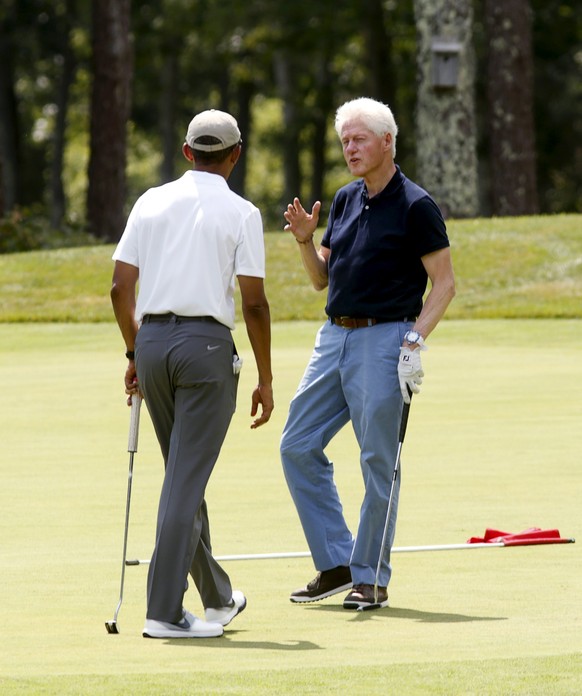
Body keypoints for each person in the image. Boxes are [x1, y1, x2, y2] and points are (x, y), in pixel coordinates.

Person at [280, 97, 455, 611]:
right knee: (297, 445)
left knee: (379, 459)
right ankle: (336, 563)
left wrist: (414, 341)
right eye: (345, 141)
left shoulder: (416, 205)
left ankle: (371, 576)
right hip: (334, 336)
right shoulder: (344, 199)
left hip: (386, 339)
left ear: (387, 142)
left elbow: (444, 285)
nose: (350, 149)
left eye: (359, 139)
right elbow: (321, 280)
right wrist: (305, 243)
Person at [110, 109, 274, 638]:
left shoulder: (149, 200)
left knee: (184, 474)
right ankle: (163, 611)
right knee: (184, 479)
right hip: (205, 350)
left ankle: (218, 597)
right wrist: (266, 378)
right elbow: (254, 306)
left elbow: (119, 289)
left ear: (186, 153)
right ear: (235, 155)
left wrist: (136, 354)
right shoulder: (243, 212)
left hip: (153, 344)